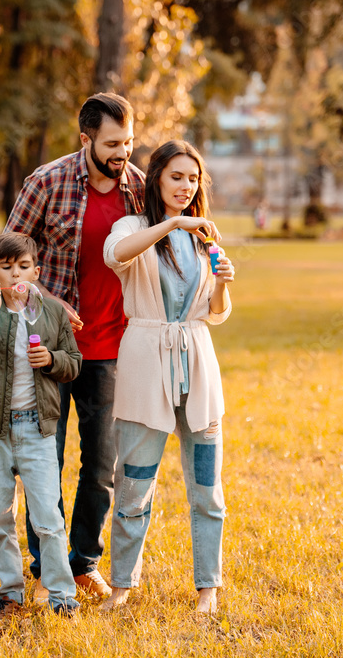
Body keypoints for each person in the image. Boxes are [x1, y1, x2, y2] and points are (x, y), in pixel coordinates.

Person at [4, 92, 145, 600]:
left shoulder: (138, 191)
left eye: (128, 142)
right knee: (46, 459)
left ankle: (84, 562)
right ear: (85, 138)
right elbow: (6, 262)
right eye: (112, 143)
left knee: (102, 462)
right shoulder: (47, 182)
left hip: (112, 347)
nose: (122, 153)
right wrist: (47, 300)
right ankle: (47, 571)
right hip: (49, 348)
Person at [99, 140, 235, 615]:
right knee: (134, 483)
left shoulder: (206, 238)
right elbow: (115, 254)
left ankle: (207, 591)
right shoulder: (135, 227)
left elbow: (214, 315)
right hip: (144, 368)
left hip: (198, 367)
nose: (186, 187)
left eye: (193, 178)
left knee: (207, 488)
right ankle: (121, 587)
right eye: (177, 176)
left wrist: (220, 282)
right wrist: (173, 223)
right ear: (156, 177)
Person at [0, 233, 83, 622]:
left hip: (36, 431)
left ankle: (63, 598)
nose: (15, 275)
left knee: (49, 519)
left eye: (23, 267)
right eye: (6, 268)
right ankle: (9, 596)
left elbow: (74, 362)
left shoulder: (53, 313)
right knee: (0, 519)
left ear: (36, 272)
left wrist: (53, 359)